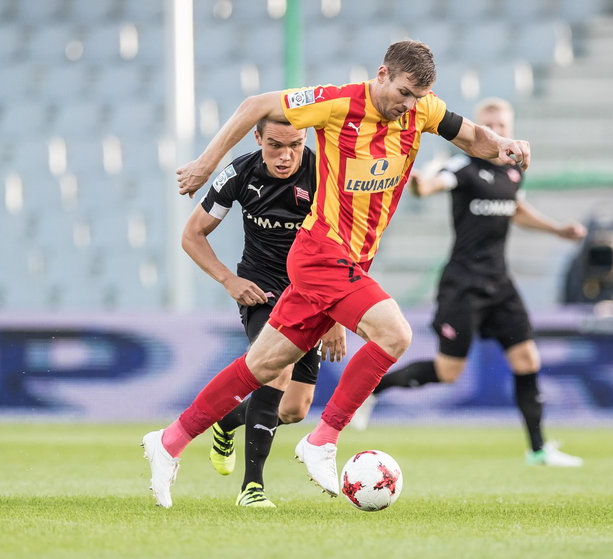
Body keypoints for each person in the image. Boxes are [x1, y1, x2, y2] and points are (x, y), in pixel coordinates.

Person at [142, 40, 531, 508]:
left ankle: (168, 441)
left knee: (262, 367)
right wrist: (206, 164)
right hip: (321, 253)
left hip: (350, 260)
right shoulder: (338, 102)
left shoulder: (422, 110)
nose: (407, 106)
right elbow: (256, 105)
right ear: (382, 74)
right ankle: (323, 441)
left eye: (416, 98)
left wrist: (504, 145)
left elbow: (472, 138)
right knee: (394, 335)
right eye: (403, 93)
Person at [352, 98, 585, 467]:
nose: (500, 132)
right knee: (448, 372)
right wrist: (420, 186)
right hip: (462, 284)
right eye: (491, 125)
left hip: (499, 282)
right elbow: (432, 185)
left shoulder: (514, 170)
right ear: (483, 131)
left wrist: (557, 229)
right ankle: (371, 390)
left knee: (527, 359)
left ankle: (538, 449)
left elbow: (516, 208)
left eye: (504, 125)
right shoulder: (463, 167)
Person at [179, 118, 346, 508]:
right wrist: (228, 281)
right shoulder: (239, 174)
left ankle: (226, 421)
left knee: (294, 409)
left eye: (295, 144)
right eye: (275, 145)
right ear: (257, 137)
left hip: (312, 294)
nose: (285, 155)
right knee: (276, 369)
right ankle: (252, 488)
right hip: (262, 291)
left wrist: (336, 316)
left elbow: (344, 245)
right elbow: (192, 234)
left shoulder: (324, 174)